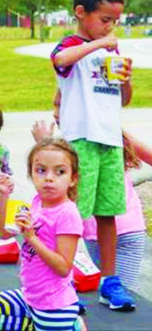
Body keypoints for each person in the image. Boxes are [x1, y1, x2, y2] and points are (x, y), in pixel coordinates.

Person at [50, 0, 135, 311]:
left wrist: (125, 81)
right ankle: (63, 282)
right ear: (80, 12)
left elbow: (123, 99)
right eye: (105, 20)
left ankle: (109, 280)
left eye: (115, 21)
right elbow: (60, 60)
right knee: (73, 214)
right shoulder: (72, 46)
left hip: (109, 140)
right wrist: (98, 45)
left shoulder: (109, 48)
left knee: (107, 213)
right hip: (80, 141)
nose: (110, 27)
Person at [0, 138, 86, 331]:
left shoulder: (67, 214)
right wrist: (4, 195)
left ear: (73, 179)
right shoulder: (37, 202)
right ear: (31, 173)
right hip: (29, 296)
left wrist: (32, 238)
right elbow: (4, 233)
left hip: (54, 305)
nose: (49, 178)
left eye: (60, 172)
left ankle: (70, 324)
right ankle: (33, 326)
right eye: (41, 170)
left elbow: (63, 268)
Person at [33, 116, 150, 292]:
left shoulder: (71, 147)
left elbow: (55, 182)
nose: (57, 112)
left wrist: (44, 143)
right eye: (56, 105)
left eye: (60, 104)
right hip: (104, 232)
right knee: (113, 294)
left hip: (119, 231)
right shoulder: (108, 134)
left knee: (118, 296)